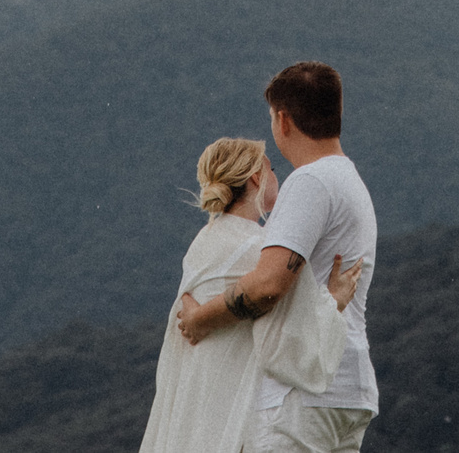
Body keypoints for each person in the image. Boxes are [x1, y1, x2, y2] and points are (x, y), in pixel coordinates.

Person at [178, 62, 380, 453]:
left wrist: (200, 318)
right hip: (349, 387)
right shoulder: (350, 181)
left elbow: (269, 284)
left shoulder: (309, 181)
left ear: (283, 120)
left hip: (299, 393)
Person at [137, 135, 363, 453]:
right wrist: (334, 301)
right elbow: (296, 341)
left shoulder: (204, 241)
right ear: (256, 177)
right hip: (234, 408)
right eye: (272, 170)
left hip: (197, 402)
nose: (276, 178)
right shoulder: (261, 248)